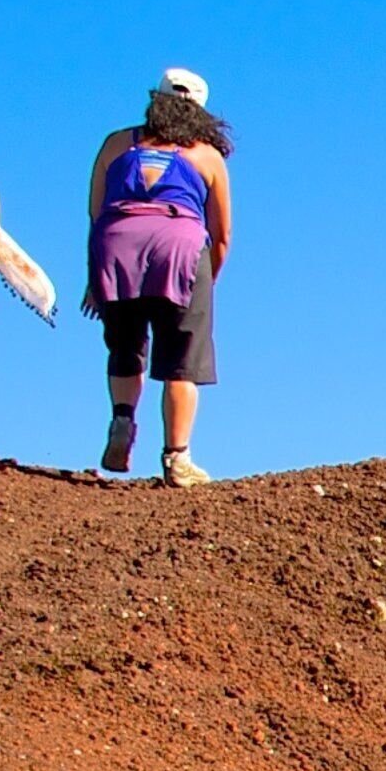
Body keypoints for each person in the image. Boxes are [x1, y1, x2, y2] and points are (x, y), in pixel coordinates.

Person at [83, 66, 234, 485]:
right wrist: (205, 280)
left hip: (115, 247)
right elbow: (221, 234)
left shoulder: (116, 144)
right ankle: (177, 458)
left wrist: (94, 278)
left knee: (126, 346)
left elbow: (96, 214)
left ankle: (122, 420)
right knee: (181, 359)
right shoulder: (206, 156)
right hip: (180, 249)